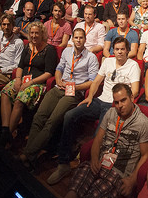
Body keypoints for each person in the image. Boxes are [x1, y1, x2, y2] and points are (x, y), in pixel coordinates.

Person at [49, 35, 143, 183]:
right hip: (99, 101)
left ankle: (86, 166)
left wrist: (119, 104)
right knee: (69, 115)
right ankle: (63, 162)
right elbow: (96, 81)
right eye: (116, 49)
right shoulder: (108, 62)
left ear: (127, 51)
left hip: (113, 106)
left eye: (122, 49)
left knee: (100, 132)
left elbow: (135, 90)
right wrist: (90, 97)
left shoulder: (133, 65)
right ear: (113, 50)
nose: (119, 52)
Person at [63, 83, 148, 198]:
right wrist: (94, 159)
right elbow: (98, 139)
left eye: (123, 100)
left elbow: (146, 155)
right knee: (70, 197)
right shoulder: (111, 113)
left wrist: (132, 181)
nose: (120, 106)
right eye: (116, 102)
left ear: (131, 97)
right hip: (99, 164)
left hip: (117, 174)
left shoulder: (143, 124)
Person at [19, 27, 100, 169]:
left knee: (52, 121)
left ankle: (27, 154)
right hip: (59, 88)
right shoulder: (67, 52)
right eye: (76, 38)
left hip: (74, 93)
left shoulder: (91, 57)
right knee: (39, 116)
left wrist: (74, 86)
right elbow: (59, 69)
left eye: (81, 38)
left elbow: (92, 82)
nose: (79, 40)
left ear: (85, 40)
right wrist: (58, 80)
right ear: (72, 39)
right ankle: (30, 154)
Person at [0, 21, 56, 146]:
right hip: (22, 80)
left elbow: (49, 73)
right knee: (5, 93)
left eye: (37, 33)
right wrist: (18, 79)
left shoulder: (49, 49)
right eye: (32, 33)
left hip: (37, 84)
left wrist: (31, 82)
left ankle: (8, 134)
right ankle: (5, 129)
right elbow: (20, 66)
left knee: (20, 99)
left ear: (42, 34)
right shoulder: (27, 46)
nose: (34, 36)